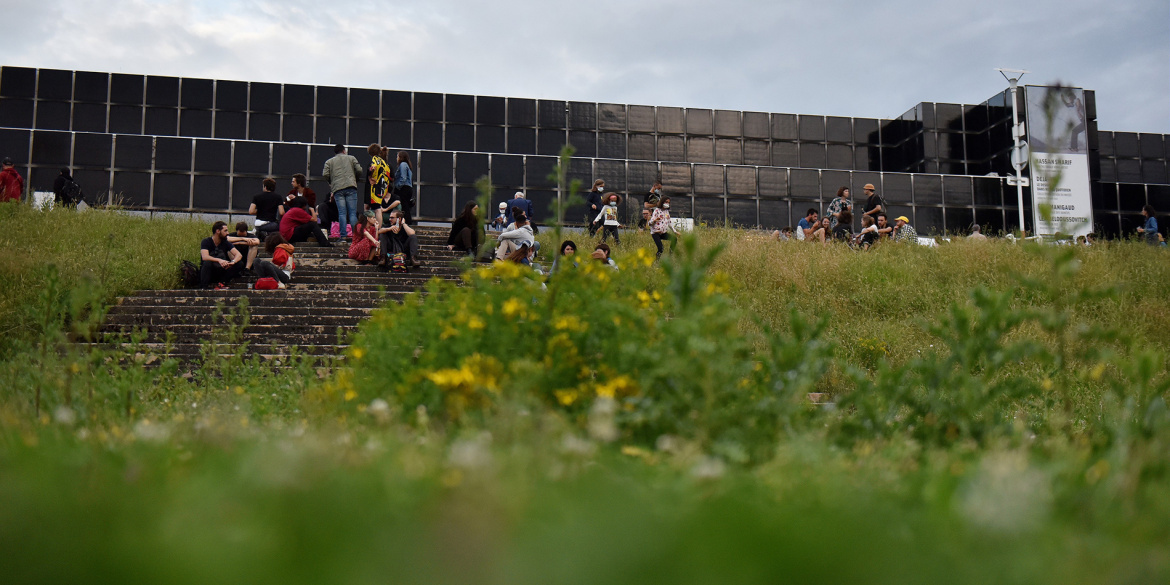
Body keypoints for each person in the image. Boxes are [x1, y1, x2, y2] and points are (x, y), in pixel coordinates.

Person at [322, 143, 363, 241]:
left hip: (338, 189)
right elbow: (359, 170)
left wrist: (332, 182)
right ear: (344, 151)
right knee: (352, 213)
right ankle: (356, 237)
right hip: (351, 187)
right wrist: (354, 179)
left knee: (342, 213)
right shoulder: (351, 158)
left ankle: (343, 236)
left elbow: (325, 174)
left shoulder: (329, 162)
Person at [200, 221, 245, 289]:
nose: (228, 233)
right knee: (207, 263)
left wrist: (232, 262)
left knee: (239, 263)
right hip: (210, 270)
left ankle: (221, 283)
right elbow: (205, 257)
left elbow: (239, 255)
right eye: (225, 231)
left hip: (221, 270)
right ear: (218, 231)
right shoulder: (206, 241)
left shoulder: (225, 243)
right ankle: (204, 287)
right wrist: (219, 260)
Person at [390, 150, 415, 225]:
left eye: (397, 156)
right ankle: (407, 222)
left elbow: (403, 178)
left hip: (403, 188)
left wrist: (397, 186)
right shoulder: (407, 165)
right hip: (408, 188)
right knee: (405, 206)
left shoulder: (403, 164)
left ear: (401, 157)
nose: (396, 158)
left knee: (403, 206)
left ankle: (407, 222)